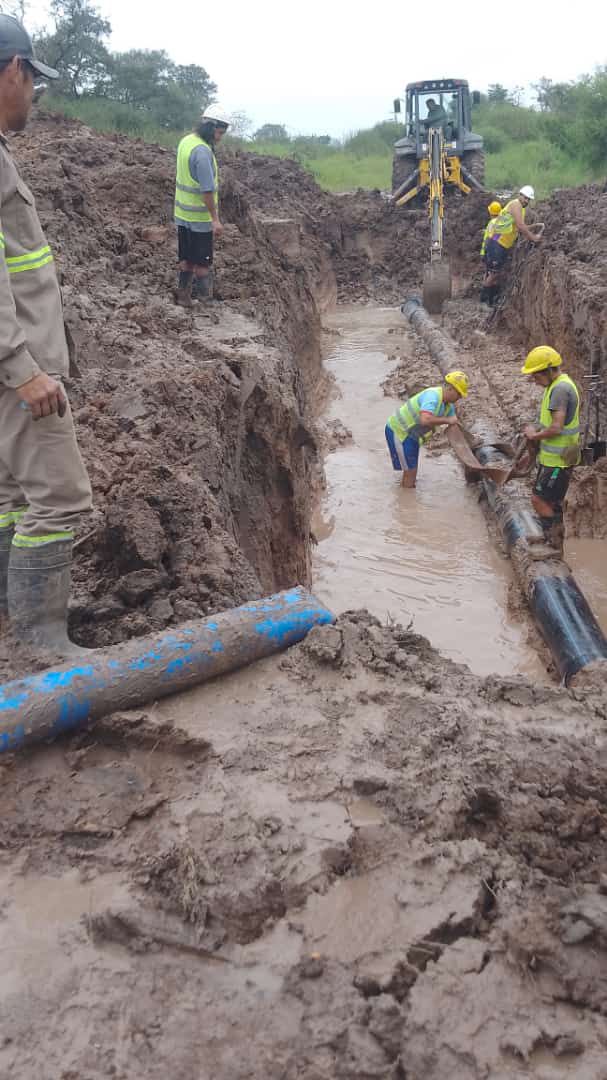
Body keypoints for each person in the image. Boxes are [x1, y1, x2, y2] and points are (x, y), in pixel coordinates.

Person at [0, 15, 92, 655]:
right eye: (33, 80)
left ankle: (14, 624)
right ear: (13, 70)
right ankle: (40, 645)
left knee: (11, 495)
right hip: (17, 367)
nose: (34, 96)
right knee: (59, 496)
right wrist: (23, 366)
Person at [519, 345, 580, 550]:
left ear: (548, 370)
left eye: (535, 375)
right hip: (556, 457)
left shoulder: (560, 390)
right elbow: (546, 422)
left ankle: (552, 543)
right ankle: (552, 538)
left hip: (559, 460)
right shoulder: (554, 386)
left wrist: (533, 435)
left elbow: (556, 427)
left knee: (539, 500)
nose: (533, 380)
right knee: (551, 501)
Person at [174, 105, 230, 307]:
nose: (219, 137)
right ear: (210, 127)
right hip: (199, 218)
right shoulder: (203, 153)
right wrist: (215, 219)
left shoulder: (186, 142)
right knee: (203, 262)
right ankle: (205, 301)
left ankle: (183, 296)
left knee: (186, 257)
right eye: (219, 132)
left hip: (182, 214)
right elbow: (207, 190)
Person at [385, 371, 469, 488]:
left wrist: (468, 442)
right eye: (459, 394)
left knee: (411, 471)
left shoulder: (448, 406)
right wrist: (447, 420)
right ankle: (407, 500)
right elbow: (425, 419)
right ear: (450, 388)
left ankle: (405, 490)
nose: (459, 398)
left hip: (412, 436)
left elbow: (454, 424)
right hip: (399, 431)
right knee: (410, 474)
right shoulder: (433, 396)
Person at [482, 185, 542, 303]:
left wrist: (532, 228)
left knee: (496, 274)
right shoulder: (515, 204)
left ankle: (491, 299)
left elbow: (519, 227)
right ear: (520, 195)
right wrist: (534, 238)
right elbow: (520, 226)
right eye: (525, 198)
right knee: (494, 274)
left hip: (502, 245)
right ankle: (485, 300)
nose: (526, 201)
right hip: (497, 243)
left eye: (528, 199)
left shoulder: (521, 208)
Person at [480, 200, 503, 305]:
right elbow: (495, 240)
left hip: (487, 252)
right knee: (494, 275)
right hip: (493, 253)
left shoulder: (491, 223)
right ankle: (486, 298)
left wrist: (483, 253)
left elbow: (487, 239)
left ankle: (489, 299)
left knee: (490, 274)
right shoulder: (499, 223)